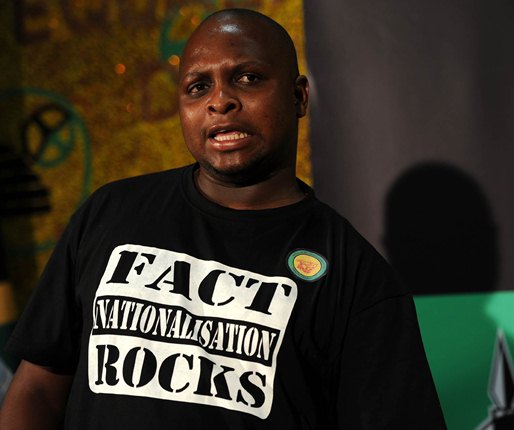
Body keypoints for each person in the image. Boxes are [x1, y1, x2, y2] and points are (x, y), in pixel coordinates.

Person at [0, 8, 446, 429]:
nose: (220, 101)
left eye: (247, 78)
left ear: (298, 96)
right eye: (198, 87)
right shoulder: (111, 212)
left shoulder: (355, 276)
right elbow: (38, 389)